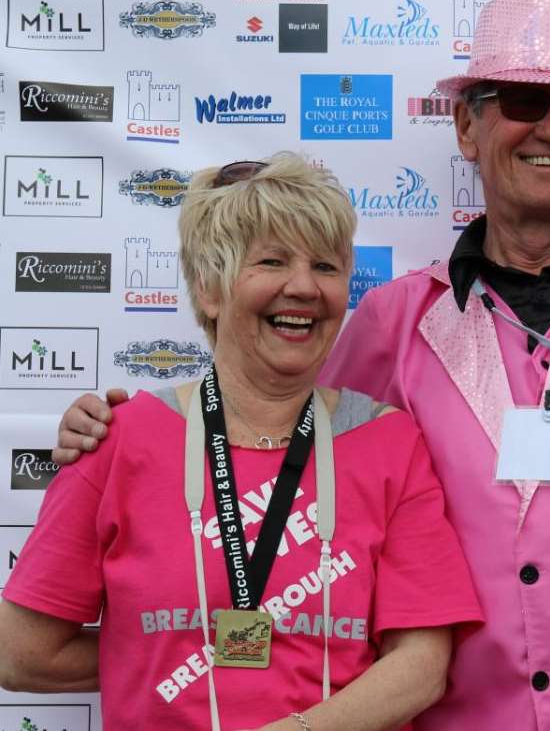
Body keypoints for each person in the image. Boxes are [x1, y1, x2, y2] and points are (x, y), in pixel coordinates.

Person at [52, 0, 550, 731]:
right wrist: (112, 432)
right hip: (455, 714)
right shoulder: (394, 317)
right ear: (466, 125)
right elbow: (281, 453)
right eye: (524, 100)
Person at [2, 154, 482, 731]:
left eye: (326, 267)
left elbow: (423, 664)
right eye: (272, 261)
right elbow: (22, 653)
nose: (303, 287)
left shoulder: (388, 443)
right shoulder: (118, 439)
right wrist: (170, 657)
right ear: (210, 289)